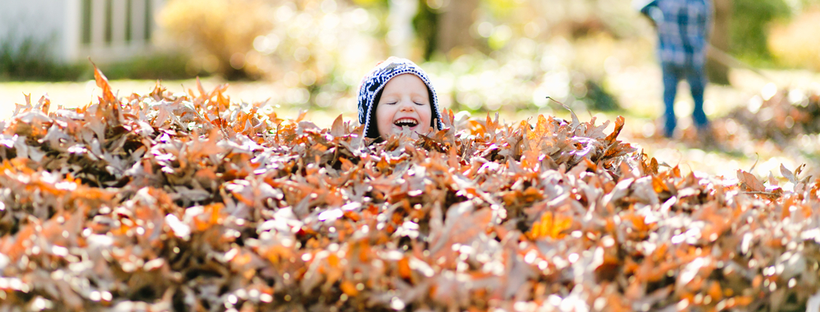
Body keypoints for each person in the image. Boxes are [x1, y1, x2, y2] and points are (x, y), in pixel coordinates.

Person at [639, 0, 712, 139]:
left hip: (669, 53)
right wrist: (703, 43)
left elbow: (641, 8)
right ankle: (701, 128)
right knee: (697, 92)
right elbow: (706, 26)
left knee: (669, 93)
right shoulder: (701, 2)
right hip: (693, 54)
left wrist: (655, 19)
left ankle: (669, 129)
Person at [358, 57, 444, 141]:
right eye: (392, 102)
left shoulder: (445, 154)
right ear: (371, 116)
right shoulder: (358, 155)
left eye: (418, 102)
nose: (407, 106)